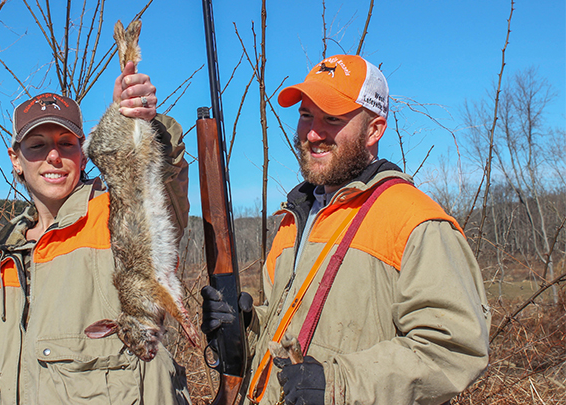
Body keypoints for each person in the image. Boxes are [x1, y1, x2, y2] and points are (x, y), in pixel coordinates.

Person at [201, 54, 491, 405]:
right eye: (306, 114)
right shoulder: (295, 220)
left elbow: (453, 348)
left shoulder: (415, 221)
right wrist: (245, 325)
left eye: (333, 118)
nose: (312, 133)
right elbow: (293, 335)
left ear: (374, 129)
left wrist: (339, 385)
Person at [0, 61, 191, 404]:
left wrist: (139, 124)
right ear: (15, 159)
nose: (54, 156)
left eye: (66, 143)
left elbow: (160, 181)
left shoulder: (114, 213)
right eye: (38, 145)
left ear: (83, 152)